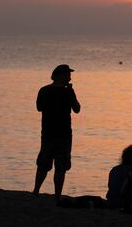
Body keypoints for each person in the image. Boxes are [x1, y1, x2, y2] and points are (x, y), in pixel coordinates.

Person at [33, 64, 81, 201]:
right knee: (60, 167)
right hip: (64, 135)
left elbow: (39, 107)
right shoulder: (68, 92)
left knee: (43, 164)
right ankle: (57, 196)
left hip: (48, 133)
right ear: (60, 76)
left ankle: (36, 191)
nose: (70, 77)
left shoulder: (44, 90)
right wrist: (71, 93)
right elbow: (77, 109)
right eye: (67, 74)